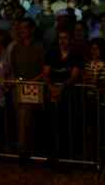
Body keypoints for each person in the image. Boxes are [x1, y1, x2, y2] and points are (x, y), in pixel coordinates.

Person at [43, 29, 83, 163]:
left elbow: (74, 75)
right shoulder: (51, 53)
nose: (62, 41)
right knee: (52, 124)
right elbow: (46, 73)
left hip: (68, 95)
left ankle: (66, 157)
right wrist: (51, 87)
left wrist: (61, 88)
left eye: (65, 38)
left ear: (70, 39)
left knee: (66, 125)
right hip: (52, 93)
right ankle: (52, 155)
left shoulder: (76, 55)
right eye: (60, 38)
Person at [10, 18, 45, 164]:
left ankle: (26, 149)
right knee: (21, 117)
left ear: (32, 29)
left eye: (25, 27)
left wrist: (33, 81)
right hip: (20, 86)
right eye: (21, 28)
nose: (22, 30)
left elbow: (45, 69)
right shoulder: (16, 48)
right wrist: (18, 80)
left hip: (35, 86)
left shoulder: (39, 47)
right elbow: (13, 68)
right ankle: (24, 149)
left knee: (29, 117)